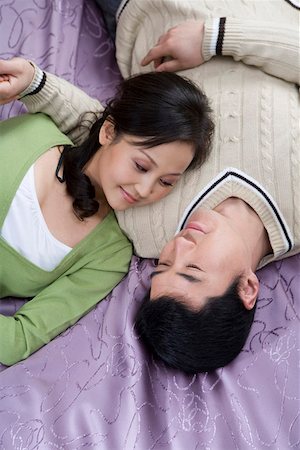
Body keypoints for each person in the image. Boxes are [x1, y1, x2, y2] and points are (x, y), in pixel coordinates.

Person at [2, 0, 299, 373]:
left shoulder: (144, 229)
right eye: (191, 270)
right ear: (248, 287)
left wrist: (36, 85)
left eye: (164, 265)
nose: (178, 246)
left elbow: (107, 141)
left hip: (139, 17)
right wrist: (216, 37)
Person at [0, 58, 214, 366]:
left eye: (166, 182)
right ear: (109, 131)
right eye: (141, 166)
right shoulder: (32, 131)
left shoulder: (109, 256)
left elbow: (19, 340)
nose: (144, 189)